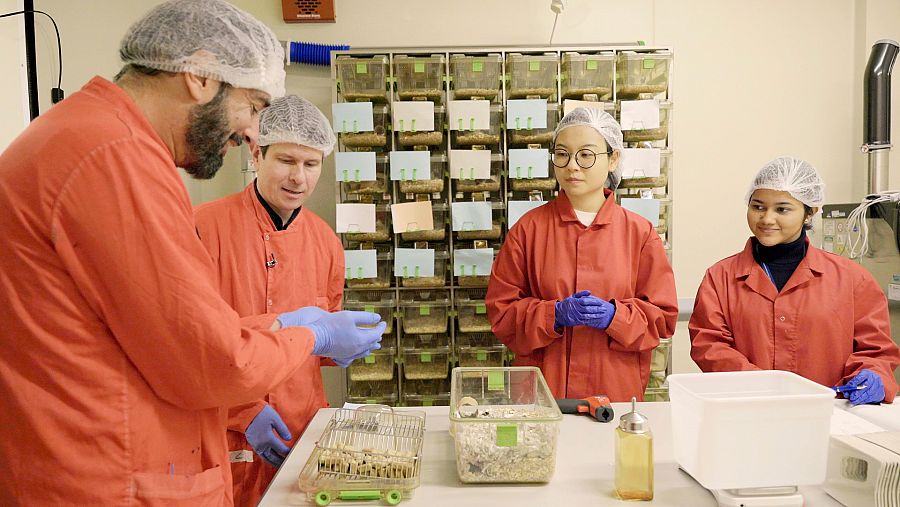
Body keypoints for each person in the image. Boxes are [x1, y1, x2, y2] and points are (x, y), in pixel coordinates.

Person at [0, 1, 383, 504]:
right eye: (252, 105)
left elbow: (168, 332)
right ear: (201, 76)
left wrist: (294, 330)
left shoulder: (91, 136)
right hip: (107, 476)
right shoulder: (115, 157)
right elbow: (212, 358)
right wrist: (305, 333)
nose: (250, 130)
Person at [194, 95, 343, 506]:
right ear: (256, 155)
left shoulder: (325, 241)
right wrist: (243, 411)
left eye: (311, 164)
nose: (299, 177)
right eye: (286, 161)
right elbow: (186, 344)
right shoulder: (203, 227)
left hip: (301, 425)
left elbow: (319, 345)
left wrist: (343, 345)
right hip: (224, 430)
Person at [486, 107, 678, 401]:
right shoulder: (529, 229)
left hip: (614, 392)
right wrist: (554, 315)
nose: (572, 166)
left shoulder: (639, 233)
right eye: (562, 154)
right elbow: (502, 313)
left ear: (613, 159)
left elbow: (662, 318)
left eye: (586, 155)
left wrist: (616, 317)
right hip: (543, 394)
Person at [689, 157, 900, 404]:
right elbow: (709, 346)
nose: (767, 218)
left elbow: (876, 350)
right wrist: (767, 388)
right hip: (748, 411)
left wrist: (872, 375)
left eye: (782, 209)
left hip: (830, 416)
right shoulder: (721, 277)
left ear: (810, 212)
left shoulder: (852, 279)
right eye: (758, 207)